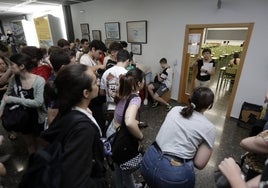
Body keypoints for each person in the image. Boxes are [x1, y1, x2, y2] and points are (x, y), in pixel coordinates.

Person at [42, 64, 108, 187]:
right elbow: (76, 181)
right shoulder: (83, 129)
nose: (98, 83)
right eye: (94, 82)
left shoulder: (67, 110)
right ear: (86, 93)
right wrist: (100, 184)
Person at [141, 87, 216, 188]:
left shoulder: (175, 109)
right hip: (173, 173)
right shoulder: (209, 127)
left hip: (148, 161)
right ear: (209, 106)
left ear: (191, 98)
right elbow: (199, 163)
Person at [0, 53, 46, 154]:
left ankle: (44, 165)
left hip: (38, 118)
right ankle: (33, 163)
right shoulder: (14, 79)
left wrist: (14, 99)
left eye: (12, 65)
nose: (10, 67)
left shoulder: (39, 81)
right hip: (23, 118)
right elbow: (6, 95)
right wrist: (1, 109)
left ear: (22, 66)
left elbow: (38, 102)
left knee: (42, 144)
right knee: (29, 144)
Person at [112, 67, 145, 188]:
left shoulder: (123, 91)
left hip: (113, 131)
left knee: (119, 166)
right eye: (143, 80)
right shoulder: (135, 98)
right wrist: (140, 136)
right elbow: (130, 122)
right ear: (139, 83)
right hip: (121, 136)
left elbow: (122, 112)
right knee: (126, 166)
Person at [100, 50, 130, 117]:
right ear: (127, 60)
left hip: (109, 108)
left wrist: (109, 92)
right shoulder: (128, 74)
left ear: (116, 59)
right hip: (123, 108)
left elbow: (101, 92)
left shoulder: (106, 72)